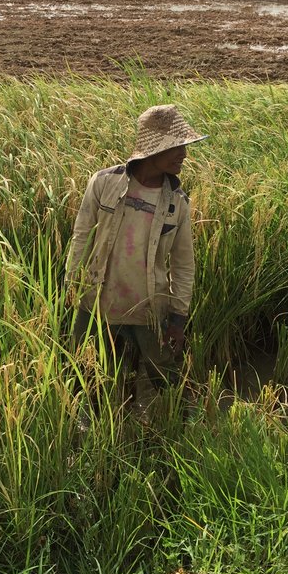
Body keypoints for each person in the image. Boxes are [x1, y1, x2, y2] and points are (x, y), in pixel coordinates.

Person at [66, 104, 206, 420]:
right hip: (97, 305)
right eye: (176, 146)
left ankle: (171, 438)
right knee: (88, 381)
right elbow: (80, 237)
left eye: (184, 146)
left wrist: (178, 319)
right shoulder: (104, 183)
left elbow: (184, 265)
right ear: (153, 149)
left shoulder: (177, 204)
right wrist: (71, 288)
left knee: (165, 382)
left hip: (149, 311)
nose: (183, 154)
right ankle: (94, 442)